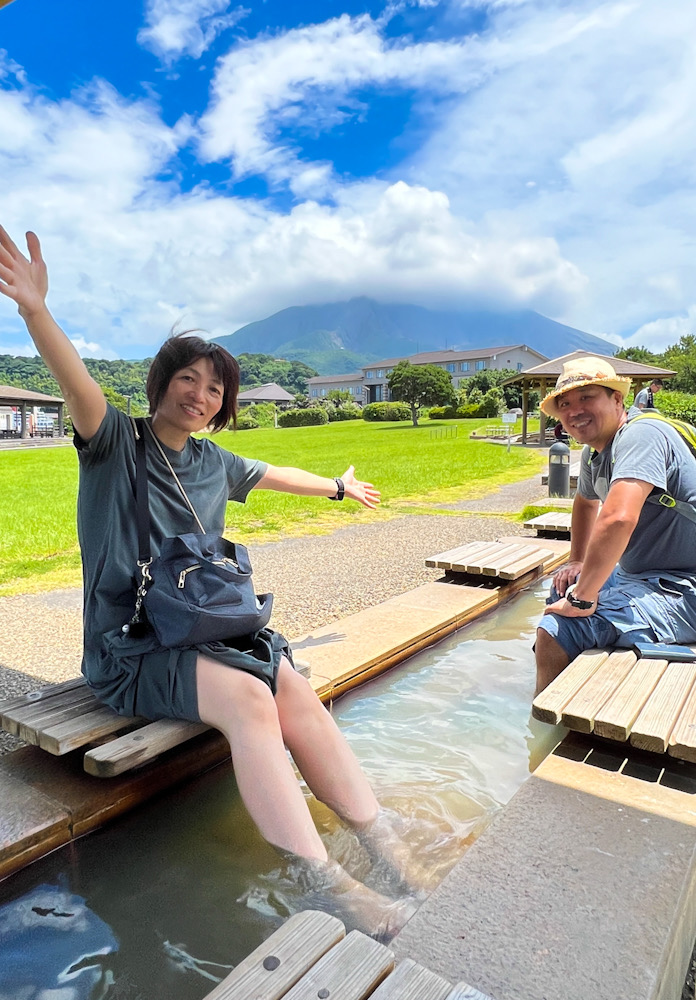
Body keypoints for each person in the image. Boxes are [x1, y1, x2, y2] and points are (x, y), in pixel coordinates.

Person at [0, 225, 417, 937]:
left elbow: (275, 474)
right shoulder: (113, 443)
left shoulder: (214, 460)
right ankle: (329, 881)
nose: (199, 393)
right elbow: (78, 382)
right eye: (186, 378)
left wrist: (340, 491)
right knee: (253, 704)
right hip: (129, 649)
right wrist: (37, 311)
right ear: (160, 384)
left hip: (208, 632)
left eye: (214, 385)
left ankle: (387, 843)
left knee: (290, 686)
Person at [534, 357, 696, 694]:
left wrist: (581, 600)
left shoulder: (641, 435)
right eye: (565, 403)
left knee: (556, 628)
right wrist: (577, 562)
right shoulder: (596, 451)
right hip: (643, 575)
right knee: (563, 586)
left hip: (685, 584)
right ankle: (571, 681)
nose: (574, 410)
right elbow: (584, 502)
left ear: (617, 399)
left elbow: (618, 516)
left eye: (587, 397)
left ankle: (542, 728)